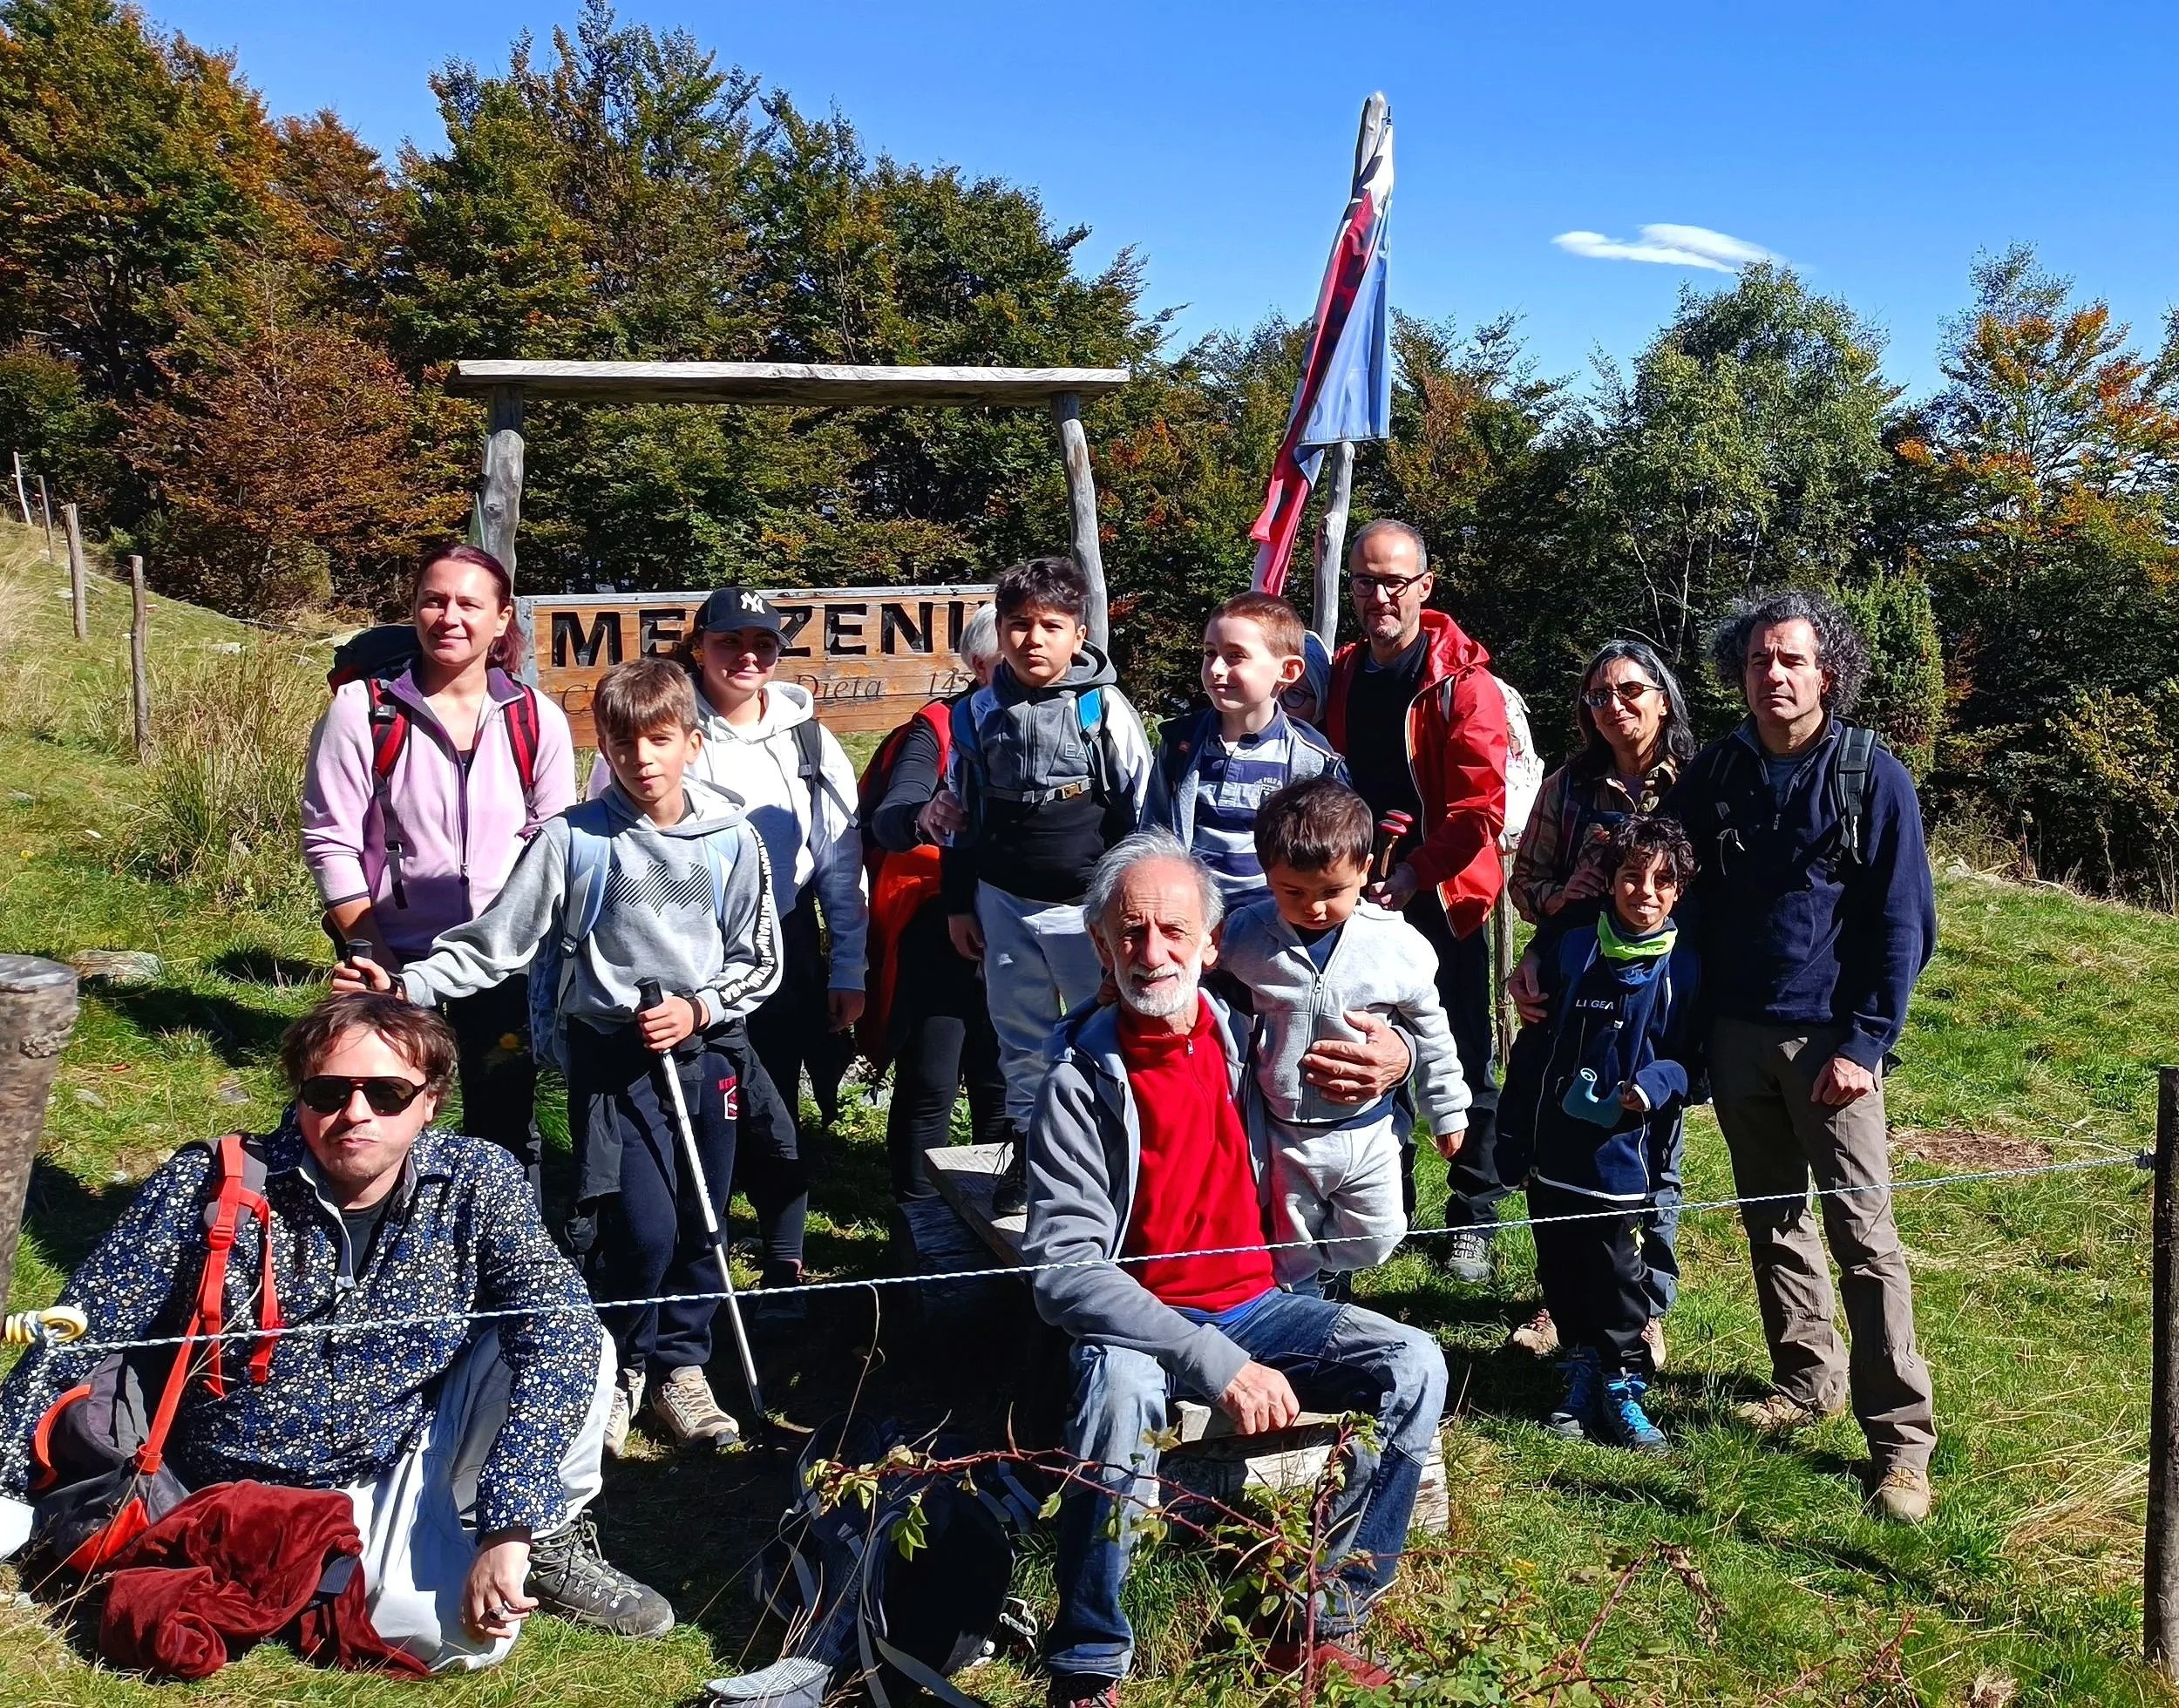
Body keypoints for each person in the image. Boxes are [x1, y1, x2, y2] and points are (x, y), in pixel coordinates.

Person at [0, 992, 671, 1670]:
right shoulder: (211, 1183)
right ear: (299, 1098)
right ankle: (294, 1569)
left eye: (387, 1094)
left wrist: (511, 1522)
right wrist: (5, 1483)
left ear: (431, 1101)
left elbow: (555, 1324)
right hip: (219, 1478)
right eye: (328, 1092)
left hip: (395, 1458)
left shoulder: (477, 1182)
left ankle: (541, 1538)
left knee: (576, 1338)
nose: (355, 1114)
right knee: (441, 1635)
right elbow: (80, 1328)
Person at [1024, 832, 1447, 1706]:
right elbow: (1063, 1274)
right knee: (1112, 1397)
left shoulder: (1243, 1035)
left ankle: (1321, 1615)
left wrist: (1401, 1060)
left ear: (1211, 944)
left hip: (1263, 1303)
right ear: (1100, 947)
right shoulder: (1077, 1082)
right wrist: (1214, 1364)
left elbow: (1377, 1029)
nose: (1153, 953)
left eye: (1174, 932)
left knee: (1418, 1363)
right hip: (1145, 1323)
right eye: (1129, 933)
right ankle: (1088, 1656)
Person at [345, 658, 787, 1457]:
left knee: (703, 1220)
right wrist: (406, 981)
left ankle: (683, 1370)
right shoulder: (572, 840)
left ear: (692, 741)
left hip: (704, 1052)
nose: (643, 759)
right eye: (624, 744)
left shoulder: (732, 840)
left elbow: (759, 958)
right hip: (611, 1060)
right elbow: (496, 945)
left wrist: (698, 1008)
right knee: (640, 1228)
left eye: (659, 741)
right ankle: (621, 1365)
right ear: (604, 751)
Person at [591, 586, 867, 1290]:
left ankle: (782, 1254)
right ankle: (682, 1249)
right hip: (673, 949)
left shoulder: (809, 738)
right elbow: (607, 833)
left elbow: (840, 858)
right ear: (700, 647)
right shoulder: (661, 726)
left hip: (782, 940)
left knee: (774, 1099)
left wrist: (849, 968)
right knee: (687, 1098)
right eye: (729, 642)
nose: (747, 656)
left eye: (764, 644)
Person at [302, 542, 578, 1199]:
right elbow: (330, 837)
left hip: (503, 961)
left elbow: (557, 846)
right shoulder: (364, 710)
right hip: (388, 953)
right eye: (434, 600)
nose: (449, 617)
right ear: (415, 608)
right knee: (381, 1112)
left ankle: (499, 1251)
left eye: (468, 604)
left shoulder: (536, 718)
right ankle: (375, 1246)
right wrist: (373, 949)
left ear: (502, 619)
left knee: (504, 1114)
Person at [1320, 518, 1510, 1282]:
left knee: (1461, 1056)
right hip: (1355, 893)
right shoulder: (1339, 673)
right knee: (1364, 1045)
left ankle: (1475, 1216)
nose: (1379, 595)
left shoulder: (1463, 683)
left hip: (1443, 895)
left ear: (1425, 587)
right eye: (1366, 581)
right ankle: (1387, 1206)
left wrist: (1415, 874)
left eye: (1394, 580)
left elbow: (1480, 810)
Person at [1503, 638, 1697, 1365]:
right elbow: (1526, 884)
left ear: (1663, 698)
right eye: (1596, 697)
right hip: (1574, 978)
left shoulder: (1698, 784)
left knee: (1650, 1142)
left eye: (1629, 692)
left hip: (1657, 984)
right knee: (1561, 1135)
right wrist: (1561, 905)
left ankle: (1643, 1306)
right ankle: (1558, 1301)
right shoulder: (1567, 787)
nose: (1613, 707)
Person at [944, 555, 1153, 1211]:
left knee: (1107, 1033)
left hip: (1087, 910)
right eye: (1018, 625)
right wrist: (959, 903)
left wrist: (1135, 912)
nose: (1033, 640)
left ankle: (1117, 1162)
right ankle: (1031, 1157)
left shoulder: (1103, 709)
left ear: (1079, 634)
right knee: (1021, 1039)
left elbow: (1144, 811)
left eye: (1050, 626)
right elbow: (959, 815)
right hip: (1003, 903)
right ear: (999, 630)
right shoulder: (976, 713)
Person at [1215, 776, 1469, 1286]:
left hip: (1368, 1129)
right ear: (1267, 875)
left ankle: (1329, 1278)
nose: (1313, 907)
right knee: (1292, 1249)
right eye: (1293, 891)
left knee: (1378, 1234)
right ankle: (1304, 1311)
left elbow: (1432, 1031)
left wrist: (1447, 1109)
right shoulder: (1244, 936)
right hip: (1283, 1135)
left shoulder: (1395, 945)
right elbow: (1208, 994)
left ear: (1365, 870)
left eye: (1332, 892)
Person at [1501, 816, 1701, 1455]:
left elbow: (1694, 1060)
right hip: (1554, 1156)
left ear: (1679, 893)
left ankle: (1623, 1381)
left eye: (1662, 881)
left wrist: (1655, 1083)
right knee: (1561, 1266)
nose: (1644, 891)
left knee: (1617, 1273)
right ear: (1610, 882)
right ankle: (1581, 1364)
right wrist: (1514, 1139)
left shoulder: (1683, 968)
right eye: (1632, 876)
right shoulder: (1573, 950)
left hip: (1622, 1163)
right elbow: (1534, 1052)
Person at [863, 604, 1011, 1203]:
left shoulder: (1065, 720)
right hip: (939, 922)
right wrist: (923, 815)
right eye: (1011, 646)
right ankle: (917, 1223)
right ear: (980, 664)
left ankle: (999, 1217)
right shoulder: (938, 726)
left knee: (1002, 1076)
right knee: (932, 1077)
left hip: (1019, 920)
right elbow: (894, 812)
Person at [1144, 591, 1347, 907]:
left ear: (1288, 671)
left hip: (1271, 921)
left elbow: (1329, 852)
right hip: (1191, 918)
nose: (1216, 669)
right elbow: (1153, 833)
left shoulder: (1314, 760)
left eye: (1235, 656)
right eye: (1210, 653)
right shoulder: (1181, 744)